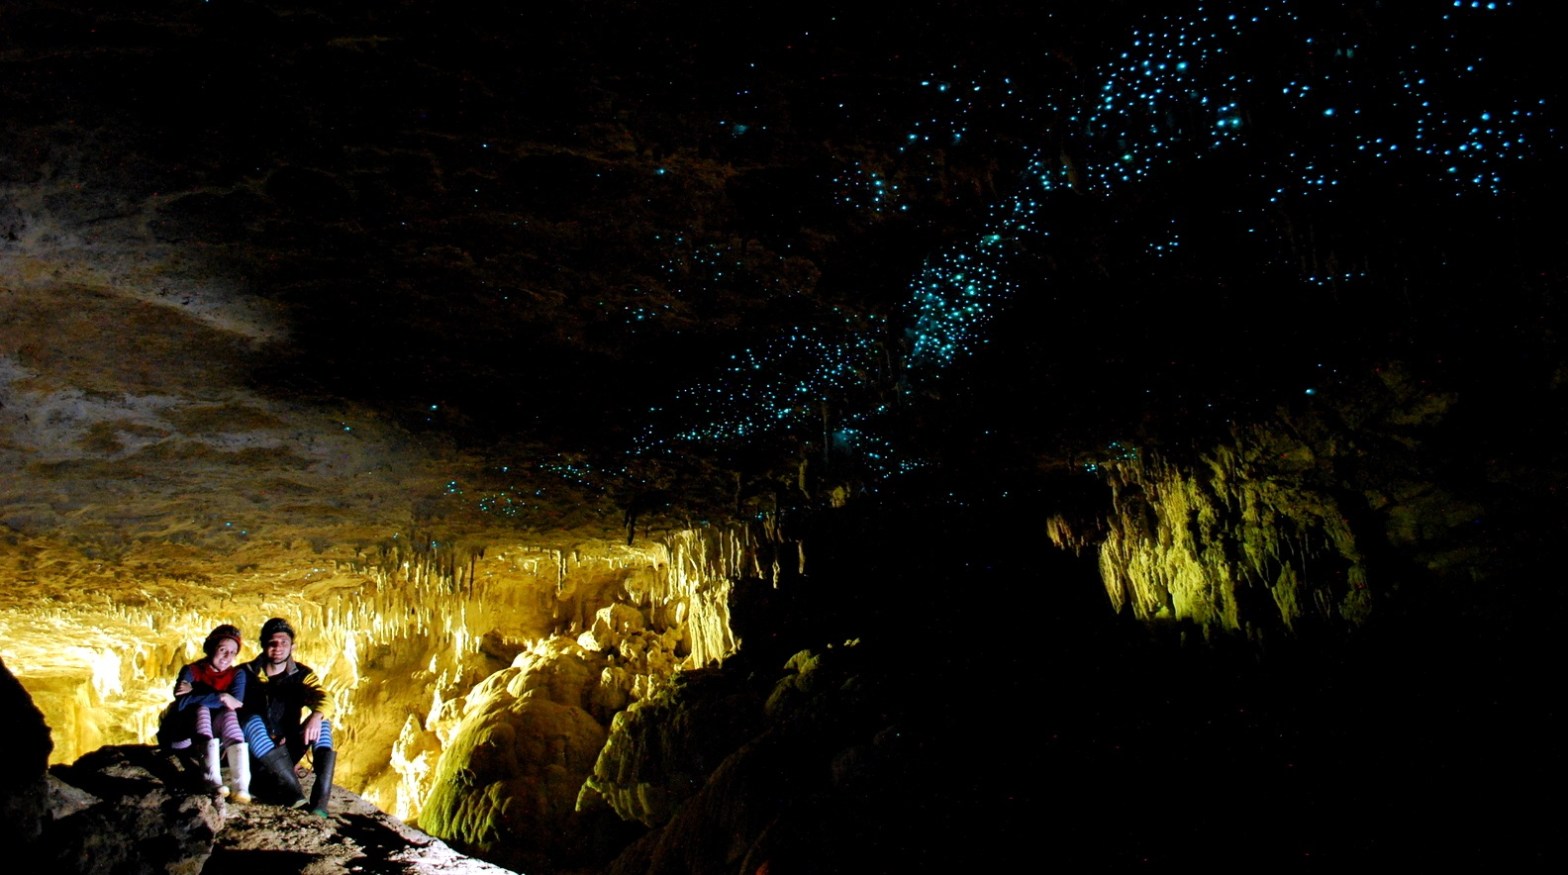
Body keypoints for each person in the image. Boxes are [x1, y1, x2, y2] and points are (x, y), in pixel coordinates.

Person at [239, 617, 337, 816]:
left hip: (286, 749)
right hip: (255, 752)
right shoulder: (245, 674)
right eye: (272, 643)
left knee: (323, 721)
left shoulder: (301, 675)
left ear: (292, 646)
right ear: (263, 645)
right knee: (251, 721)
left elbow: (324, 698)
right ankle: (294, 796)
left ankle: (320, 801)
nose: (278, 647)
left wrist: (316, 716)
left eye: (284, 642)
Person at [157, 624, 252, 802]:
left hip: (217, 735)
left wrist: (195, 694)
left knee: (229, 715)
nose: (227, 656)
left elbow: (236, 704)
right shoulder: (192, 670)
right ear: (211, 648)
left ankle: (241, 787)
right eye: (222, 650)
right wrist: (221, 696)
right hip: (185, 735)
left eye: (232, 652)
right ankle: (211, 780)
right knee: (201, 710)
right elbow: (181, 701)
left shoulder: (237, 674)